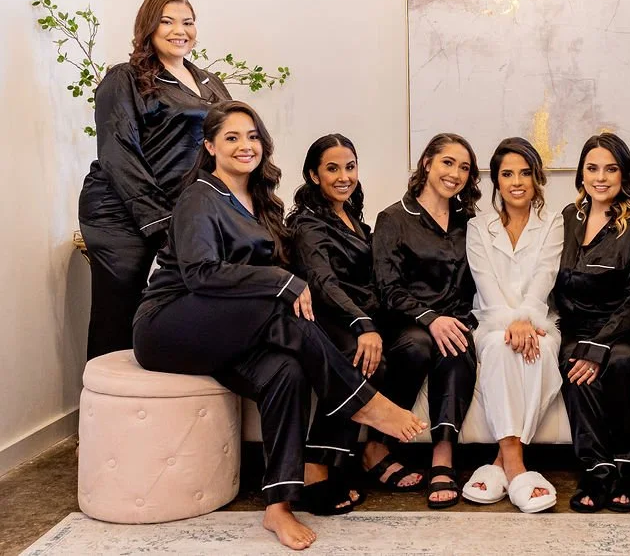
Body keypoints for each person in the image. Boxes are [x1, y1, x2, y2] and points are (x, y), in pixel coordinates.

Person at [133, 102, 425, 550]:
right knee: (279, 306)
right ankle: (363, 403)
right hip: (169, 323)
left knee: (284, 372)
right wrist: (280, 280)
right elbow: (200, 275)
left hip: (226, 330)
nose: (244, 145)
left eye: (252, 136)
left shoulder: (259, 201)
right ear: (210, 146)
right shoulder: (200, 196)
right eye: (231, 138)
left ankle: (279, 506)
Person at [80, 0, 230, 358]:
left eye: (188, 22)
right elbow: (119, 152)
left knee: (176, 304)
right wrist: (160, 221)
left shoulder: (210, 82)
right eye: (167, 21)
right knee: (119, 312)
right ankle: (108, 403)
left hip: (177, 210)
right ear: (148, 27)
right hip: (119, 210)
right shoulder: (124, 78)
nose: (179, 30)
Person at [287, 134, 425, 503]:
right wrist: (362, 324)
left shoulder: (352, 214)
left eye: (350, 167)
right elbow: (322, 282)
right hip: (329, 317)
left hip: (365, 313)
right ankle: (316, 466)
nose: (344, 176)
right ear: (314, 176)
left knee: (417, 345)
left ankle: (376, 449)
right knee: (365, 363)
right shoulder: (308, 224)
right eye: (332, 168)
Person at [372, 133, 481, 509]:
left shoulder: (471, 222)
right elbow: (388, 289)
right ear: (427, 164)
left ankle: (443, 456)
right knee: (419, 345)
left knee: (457, 343)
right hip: (406, 320)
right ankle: (375, 446)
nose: (455, 173)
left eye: (464, 167)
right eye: (448, 162)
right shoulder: (394, 218)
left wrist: (459, 321)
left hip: (455, 319)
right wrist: (430, 318)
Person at [554, 133, 630, 513]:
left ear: (625, 175)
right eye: (592, 168)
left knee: (620, 363)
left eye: (611, 169)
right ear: (581, 174)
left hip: (625, 331)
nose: (601, 177)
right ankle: (597, 471)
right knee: (574, 365)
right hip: (574, 329)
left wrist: (601, 342)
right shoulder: (566, 218)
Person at [461, 138, 562, 513]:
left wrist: (527, 321)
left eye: (524, 173)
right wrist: (510, 323)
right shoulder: (478, 226)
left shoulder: (554, 222)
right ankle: (519, 467)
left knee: (542, 351)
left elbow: (545, 275)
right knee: (500, 350)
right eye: (507, 174)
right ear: (496, 181)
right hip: (492, 322)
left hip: (539, 323)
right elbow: (485, 284)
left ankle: (501, 464)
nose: (516, 181)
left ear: (536, 178)